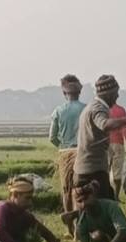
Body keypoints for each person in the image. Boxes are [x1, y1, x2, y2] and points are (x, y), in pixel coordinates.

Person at [73, 74, 126, 201]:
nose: (117, 96)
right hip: (92, 171)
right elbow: (105, 124)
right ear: (108, 94)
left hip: (89, 168)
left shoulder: (91, 106)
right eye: (116, 93)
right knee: (100, 210)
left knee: (108, 204)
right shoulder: (98, 108)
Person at [0, 175, 60, 242]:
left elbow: (41, 229)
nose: (30, 203)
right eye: (27, 198)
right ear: (15, 195)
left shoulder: (23, 214)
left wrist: (53, 241)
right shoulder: (1, 208)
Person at [49, 74, 86, 219]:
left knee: (66, 190)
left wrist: (63, 146)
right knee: (80, 190)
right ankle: (80, 224)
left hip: (65, 153)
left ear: (64, 93)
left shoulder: (58, 111)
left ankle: (69, 226)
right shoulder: (86, 109)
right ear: (79, 92)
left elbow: (52, 137)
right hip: (83, 153)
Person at [107, 101, 126, 198]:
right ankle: (116, 196)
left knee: (105, 171)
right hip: (118, 144)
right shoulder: (121, 110)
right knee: (117, 173)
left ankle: (105, 195)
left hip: (105, 145)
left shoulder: (101, 109)